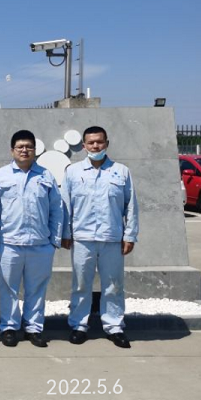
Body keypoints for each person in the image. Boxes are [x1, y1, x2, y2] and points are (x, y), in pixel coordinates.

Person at [61, 126, 139, 348]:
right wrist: (65, 233)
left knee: (114, 285)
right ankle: (79, 325)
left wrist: (130, 235)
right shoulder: (73, 172)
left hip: (112, 238)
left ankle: (114, 327)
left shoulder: (121, 171)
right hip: (82, 238)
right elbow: (65, 205)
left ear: (107, 143)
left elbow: (131, 205)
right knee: (80, 284)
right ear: (84, 145)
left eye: (99, 142)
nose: (95, 146)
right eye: (91, 142)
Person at [0, 130, 64, 348]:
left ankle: (33, 328)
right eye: (20, 146)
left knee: (37, 288)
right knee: (8, 288)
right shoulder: (1, 176)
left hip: (40, 243)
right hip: (9, 243)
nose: (24, 150)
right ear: (12, 150)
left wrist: (55, 240)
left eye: (29, 146)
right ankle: (9, 327)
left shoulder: (46, 176)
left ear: (35, 150)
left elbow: (57, 209)